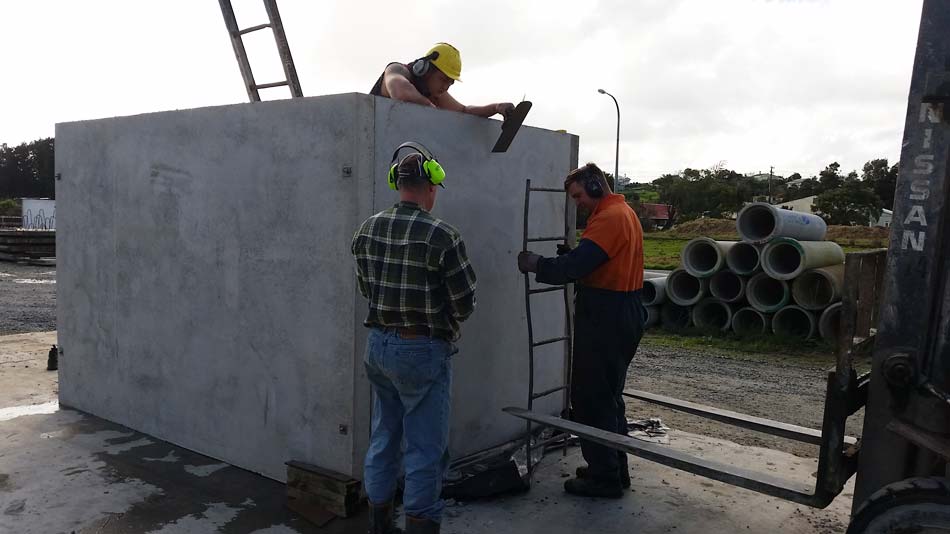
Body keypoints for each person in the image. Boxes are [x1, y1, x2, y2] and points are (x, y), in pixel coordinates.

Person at [352, 142, 477, 534]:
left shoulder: (367, 229)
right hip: (422, 349)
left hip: (378, 346)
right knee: (425, 449)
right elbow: (464, 302)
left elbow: (367, 290)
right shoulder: (443, 235)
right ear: (432, 187)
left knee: (384, 435)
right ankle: (420, 525)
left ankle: (380, 523)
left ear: (396, 183)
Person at [517, 163, 646, 498]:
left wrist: (536, 264)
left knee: (590, 398)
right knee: (609, 396)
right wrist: (575, 257)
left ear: (594, 185)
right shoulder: (623, 211)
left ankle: (604, 479)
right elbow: (596, 261)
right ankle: (614, 468)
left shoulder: (608, 218)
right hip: (623, 310)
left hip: (607, 314)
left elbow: (573, 269)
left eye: (578, 196)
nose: (577, 203)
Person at [370, 42, 515, 118]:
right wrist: (434, 110)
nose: (446, 87)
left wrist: (496, 107)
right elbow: (401, 93)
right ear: (425, 69)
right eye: (443, 79)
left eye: (450, 82)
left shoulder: (433, 91)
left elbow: (464, 111)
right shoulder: (398, 70)